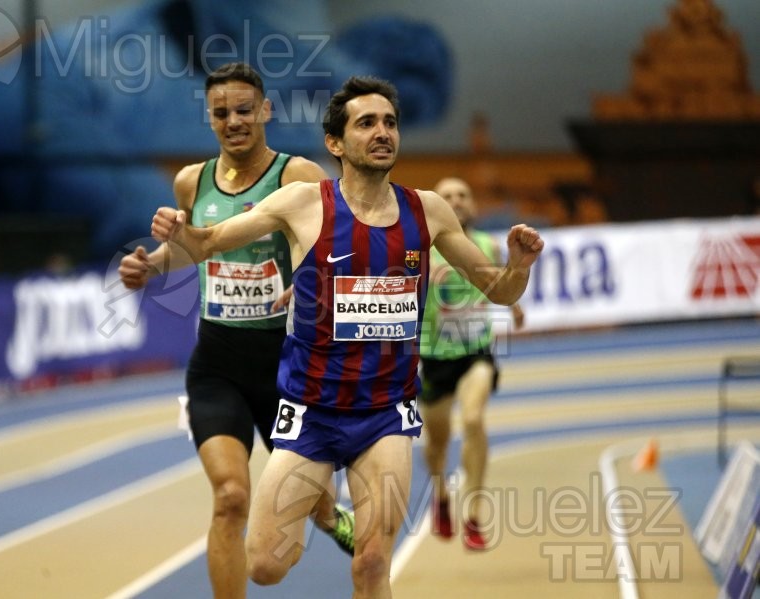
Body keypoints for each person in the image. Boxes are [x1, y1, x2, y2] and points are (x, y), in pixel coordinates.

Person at [143, 76, 543, 598]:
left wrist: (519, 266)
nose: (383, 133)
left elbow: (501, 292)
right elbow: (209, 241)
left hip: (385, 413)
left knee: (373, 563)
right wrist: (180, 233)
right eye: (366, 123)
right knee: (264, 565)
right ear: (335, 143)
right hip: (311, 411)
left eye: (390, 123)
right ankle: (326, 507)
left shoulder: (428, 211)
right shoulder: (303, 204)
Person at [118, 63, 353, 599]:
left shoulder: (297, 177)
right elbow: (191, 245)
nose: (234, 121)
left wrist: (314, 277)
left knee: (311, 502)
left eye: (244, 110)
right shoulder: (191, 181)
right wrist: (149, 265)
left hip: (289, 370)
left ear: (266, 110)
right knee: (230, 498)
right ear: (210, 118)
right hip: (218, 366)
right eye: (222, 113)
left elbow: (334, 242)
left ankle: (329, 513)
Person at [418, 177, 525, 550]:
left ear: (473, 204)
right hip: (432, 358)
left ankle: (475, 516)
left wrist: (518, 308)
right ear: (437, 206)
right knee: (436, 443)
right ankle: (440, 493)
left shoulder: (487, 245)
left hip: (476, 353)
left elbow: (502, 282)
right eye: (447, 196)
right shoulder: (422, 250)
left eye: (463, 195)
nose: (456, 201)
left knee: (475, 419)